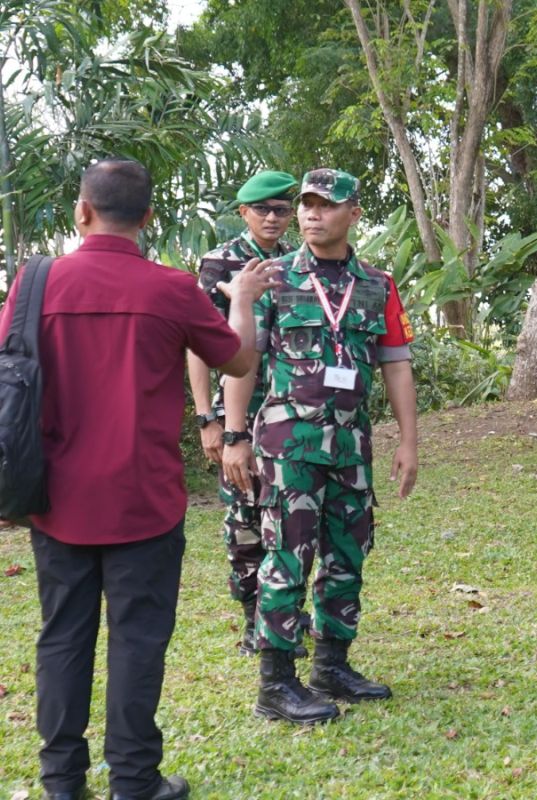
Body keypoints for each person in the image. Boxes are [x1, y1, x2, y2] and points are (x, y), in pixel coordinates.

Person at [0, 158, 277, 800]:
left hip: (56, 501)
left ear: (82, 209)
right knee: (137, 642)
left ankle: (61, 783)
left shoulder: (35, 284)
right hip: (143, 503)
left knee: (62, 638)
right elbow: (238, 358)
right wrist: (240, 301)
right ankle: (134, 780)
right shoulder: (170, 289)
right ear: (148, 218)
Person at [222, 168, 418, 724]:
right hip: (288, 447)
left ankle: (332, 664)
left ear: (353, 213)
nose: (310, 214)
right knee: (287, 555)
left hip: (351, 446)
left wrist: (408, 441)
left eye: (325, 205)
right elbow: (243, 361)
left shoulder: (377, 283)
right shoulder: (272, 277)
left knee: (348, 553)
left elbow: (396, 364)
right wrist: (234, 435)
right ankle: (276, 683)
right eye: (305, 204)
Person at [187, 170, 301, 657]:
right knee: (245, 515)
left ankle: (287, 612)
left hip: (290, 407)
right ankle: (254, 618)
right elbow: (197, 344)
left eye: (281, 209)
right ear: (244, 213)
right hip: (238, 410)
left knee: (292, 512)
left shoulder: (300, 262)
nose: (273, 218)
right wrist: (206, 418)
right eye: (263, 210)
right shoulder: (221, 263)